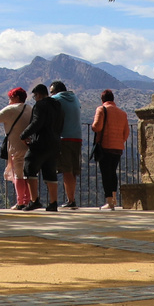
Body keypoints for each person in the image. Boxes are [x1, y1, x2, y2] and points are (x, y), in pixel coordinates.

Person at [21, 83, 63, 212]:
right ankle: (53, 202)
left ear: (38, 95)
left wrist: (24, 135)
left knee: (29, 167)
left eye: (35, 96)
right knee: (50, 172)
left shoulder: (40, 105)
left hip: (41, 142)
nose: (35, 99)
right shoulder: (57, 105)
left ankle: (34, 201)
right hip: (55, 143)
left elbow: (37, 122)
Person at [0, 88, 32, 209]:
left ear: (16, 98)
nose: (9, 100)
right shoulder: (30, 108)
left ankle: (21, 202)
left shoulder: (10, 109)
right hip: (29, 145)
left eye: (10, 97)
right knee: (28, 174)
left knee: (18, 174)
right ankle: (29, 200)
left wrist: (8, 107)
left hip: (16, 146)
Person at [89, 89, 129, 210]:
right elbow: (126, 133)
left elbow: (97, 127)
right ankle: (114, 198)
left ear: (102, 100)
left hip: (105, 146)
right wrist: (119, 141)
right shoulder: (122, 113)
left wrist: (93, 126)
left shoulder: (101, 109)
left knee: (106, 173)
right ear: (113, 99)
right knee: (113, 172)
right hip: (118, 147)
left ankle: (109, 201)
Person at [49, 81, 82, 209]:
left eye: (51, 92)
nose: (51, 94)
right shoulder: (75, 98)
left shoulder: (55, 99)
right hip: (77, 137)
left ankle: (70, 200)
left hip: (64, 138)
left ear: (56, 91)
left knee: (66, 170)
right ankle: (71, 199)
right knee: (73, 170)